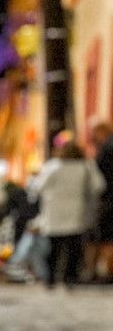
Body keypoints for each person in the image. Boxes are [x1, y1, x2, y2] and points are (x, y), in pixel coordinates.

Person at [30, 132, 105, 290]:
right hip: (77, 211)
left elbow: (38, 186)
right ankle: (69, 278)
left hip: (54, 212)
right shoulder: (86, 166)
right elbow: (99, 186)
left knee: (53, 248)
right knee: (73, 249)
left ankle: (50, 279)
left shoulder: (53, 166)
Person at [88, 120, 113, 281]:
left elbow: (99, 180)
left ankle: (103, 272)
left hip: (108, 199)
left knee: (104, 237)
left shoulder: (106, 148)